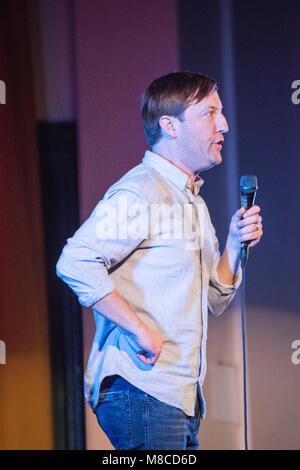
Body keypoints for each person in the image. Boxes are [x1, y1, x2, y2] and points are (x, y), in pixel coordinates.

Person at [56, 72, 263, 450]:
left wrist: (234, 243)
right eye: (210, 113)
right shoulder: (142, 191)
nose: (224, 125)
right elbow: (75, 261)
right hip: (144, 389)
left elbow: (213, 300)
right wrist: (139, 330)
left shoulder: (191, 202)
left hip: (177, 396)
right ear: (170, 125)